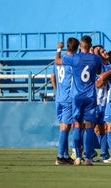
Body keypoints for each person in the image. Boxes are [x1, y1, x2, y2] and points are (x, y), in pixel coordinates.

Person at [55, 35, 102, 166]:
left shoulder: (74, 58)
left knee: (76, 125)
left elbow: (57, 61)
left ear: (81, 46)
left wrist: (58, 49)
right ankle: (88, 158)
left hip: (76, 96)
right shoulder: (96, 59)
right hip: (90, 96)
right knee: (89, 126)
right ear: (90, 45)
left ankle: (77, 157)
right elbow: (98, 72)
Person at [51, 37, 79, 165]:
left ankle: (65, 155)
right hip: (68, 98)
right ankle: (59, 157)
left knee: (63, 126)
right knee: (66, 128)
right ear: (76, 48)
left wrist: (58, 49)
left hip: (59, 97)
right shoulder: (73, 61)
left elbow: (53, 77)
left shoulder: (58, 60)